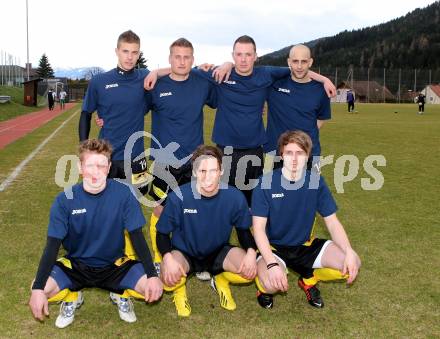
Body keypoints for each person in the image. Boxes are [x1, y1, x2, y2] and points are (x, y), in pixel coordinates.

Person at [28, 139, 162, 328]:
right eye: (90, 165)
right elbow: (52, 246)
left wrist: (152, 275)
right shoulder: (65, 200)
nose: (95, 171)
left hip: (114, 265)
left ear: (109, 167)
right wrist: (38, 288)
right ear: (80, 167)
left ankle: (120, 293)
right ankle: (72, 297)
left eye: (101, 165)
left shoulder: (124, 194)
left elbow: (137, 238)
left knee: (152, 286)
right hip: (76, 265)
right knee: (37, 286)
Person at [195, 35, 336, 206]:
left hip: (263, 150)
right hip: (232, 149)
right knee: (225, 199)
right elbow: (184, 70)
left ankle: (280, 231)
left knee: (290, 199)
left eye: (248, 55)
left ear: (256, 56)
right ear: (233, 55)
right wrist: (226, 64)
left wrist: (324, 79)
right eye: (239, 55)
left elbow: (297, 70)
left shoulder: (267, 74)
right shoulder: (220, 73)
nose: (243, 59)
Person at [252, 130, 361, 310]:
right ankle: (263, 290)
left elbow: (332, 222)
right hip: (274, 248)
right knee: (273, 284)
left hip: (305, 245)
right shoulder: (266, 182)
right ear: (281, 154)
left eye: (300, 153)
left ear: (308, 155)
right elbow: (258, 229)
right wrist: (271, 263)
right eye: (289, 153)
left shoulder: (315, 182)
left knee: (352, 262)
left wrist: (348, 250)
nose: (294, 159)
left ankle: (309, 279)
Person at [156, 145, 257, 317]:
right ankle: (179, 291)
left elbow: (243, 232)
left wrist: (251, 253)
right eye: (202, 170)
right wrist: (167, 259)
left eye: (213, 170)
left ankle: (221, 279)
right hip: (185, 252)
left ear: (221, 171)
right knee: (167, 279)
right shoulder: (179, 197)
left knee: (250, 271)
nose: (207, 177)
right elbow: (162, 234)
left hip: (218, 251)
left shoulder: (234, 197)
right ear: (194, 172)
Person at [265, 44, 331, 171]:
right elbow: (248, 72)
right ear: (289, 62)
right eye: (295, 61)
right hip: (277, 154)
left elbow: (321, 120)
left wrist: (301, 137)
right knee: (273, 190)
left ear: (310, 62)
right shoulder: (274, 84)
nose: (299, 66)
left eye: (304, 61)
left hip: (310, 154)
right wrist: (228, 65)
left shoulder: (321, 90)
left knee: (312, 190)